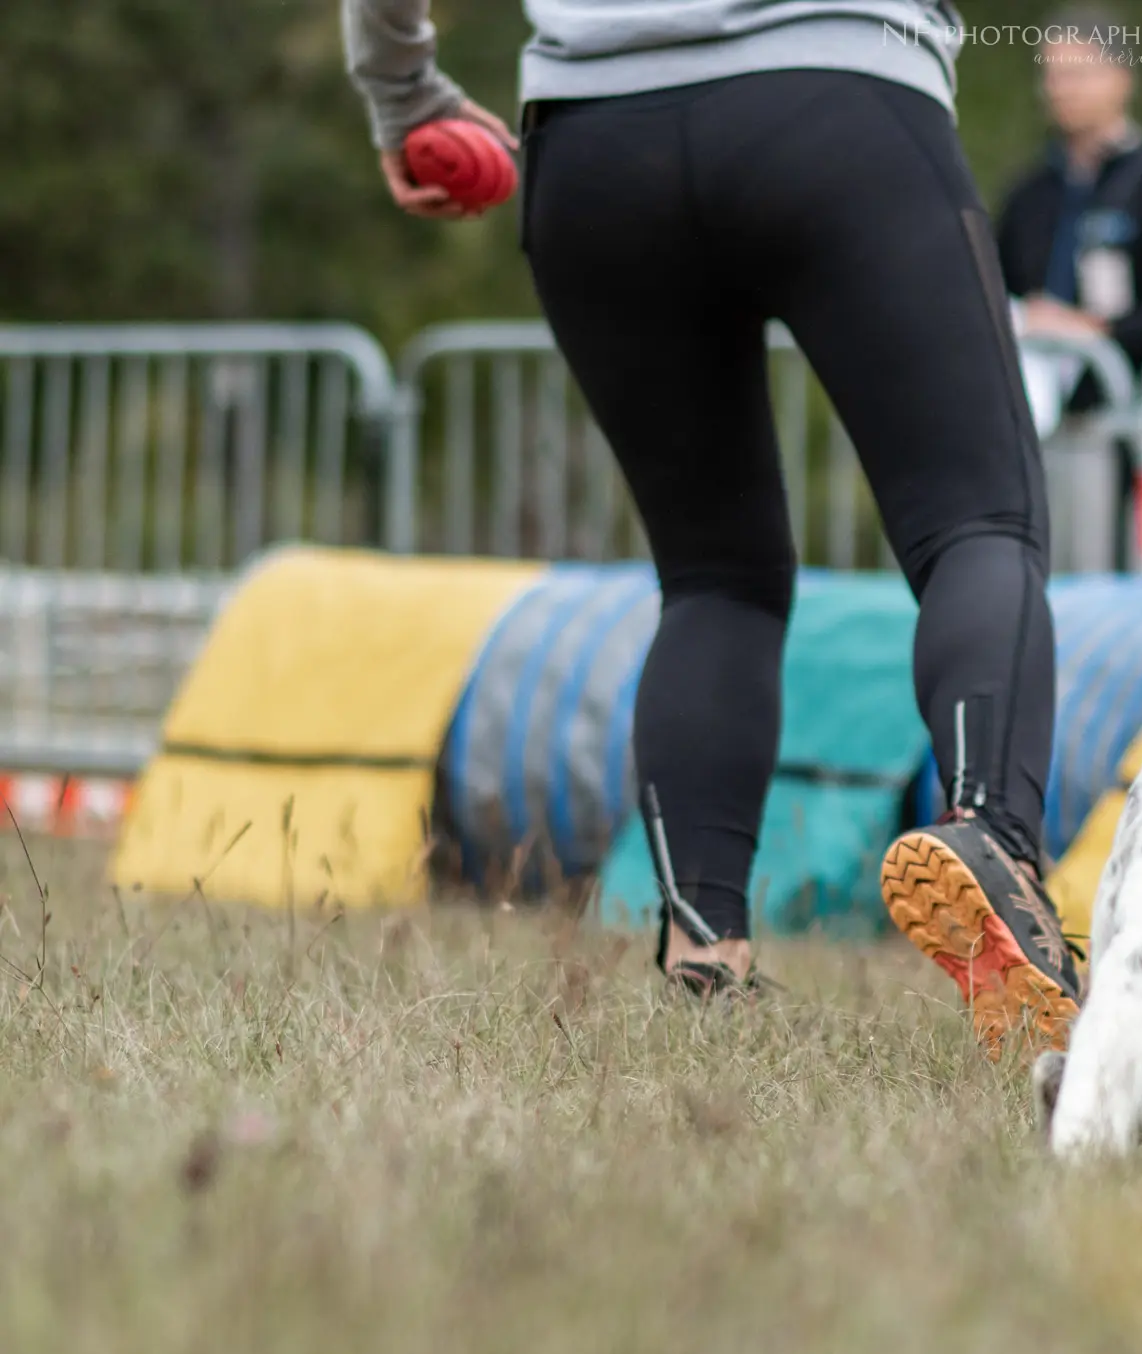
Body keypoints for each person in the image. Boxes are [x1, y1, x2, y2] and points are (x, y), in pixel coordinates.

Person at [344, 1, 1083, 1053]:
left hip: (594, 145)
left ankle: (703, 946)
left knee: (713, 576)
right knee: (978, 523)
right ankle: (988, 841)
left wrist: (401, 91)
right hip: (838, 102)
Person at [997, 10, 1142, 570]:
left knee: (1107, 576)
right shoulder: (1029, 192)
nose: (1062, 89)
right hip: (1029, 430)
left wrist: (1101, 333)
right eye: (1051, 75)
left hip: (1117, 430)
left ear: (1121, 77)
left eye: (1078, 73)